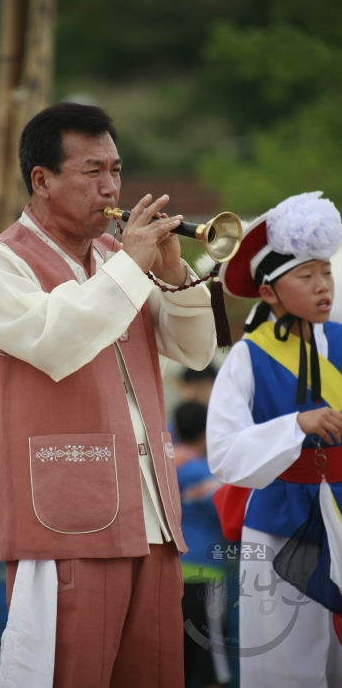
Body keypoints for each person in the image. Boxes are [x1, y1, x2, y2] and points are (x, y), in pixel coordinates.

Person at [0, 101, 216, 687]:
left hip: (153, 518)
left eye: (118, 170)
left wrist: (175, 276)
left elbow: (195, 350)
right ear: (42, 180)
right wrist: (132, 267)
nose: (111, 187)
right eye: (93, 171)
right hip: (66, 523)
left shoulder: (114, 258)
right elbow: (58, 342)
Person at [206, 191, 342, 687]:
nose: (323, 286)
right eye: (306, 277)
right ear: (269, 293)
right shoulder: (247, 357)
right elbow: (221, 452)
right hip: (280, 522)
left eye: (326, 272)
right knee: (287, 662)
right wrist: (295, 427)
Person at [174, 401, 231, 688]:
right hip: (204, 573)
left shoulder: (163, 464)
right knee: (212, 655)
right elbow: (229, 513)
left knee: (176, 657)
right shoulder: (201, 473)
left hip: (171, 571)